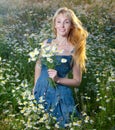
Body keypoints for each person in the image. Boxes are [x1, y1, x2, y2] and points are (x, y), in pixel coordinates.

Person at [33, 7, 88, 128]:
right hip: (41, 89)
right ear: (55, 24)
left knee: (63, 124)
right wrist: (35, 85)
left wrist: (58, 79)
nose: (62, 26)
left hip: (60, 94)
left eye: (66, 22)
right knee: (39, 123)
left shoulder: (75, 49)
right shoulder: (46, 43)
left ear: (72, 26)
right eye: (59, 22)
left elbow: (77, 81)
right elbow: (38, 64)